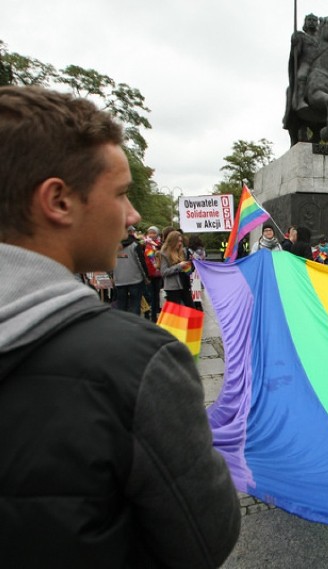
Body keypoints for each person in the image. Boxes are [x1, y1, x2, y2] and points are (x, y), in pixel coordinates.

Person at [0, 86, 240, 566]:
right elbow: (206, 537)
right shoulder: (138, 362)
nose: (132, 216)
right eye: (122, 193)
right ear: (59, 201)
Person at [113, 225, 148, 315]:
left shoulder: (113, 245)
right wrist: (146, 277)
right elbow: (140, 262)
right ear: (130, 232)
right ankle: (135, 326)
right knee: (135, 305)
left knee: (121, 306)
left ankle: (123, 325)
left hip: (119, 280)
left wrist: (112, 276)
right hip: (135, 279)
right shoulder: (135, 245)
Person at [159, 230, 194, 307]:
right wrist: (179, 266)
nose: (180, 243)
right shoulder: (164, 253)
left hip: (184, 285)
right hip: (172, 288)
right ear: (172, 241)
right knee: (176, 313)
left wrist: (190, 264)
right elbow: (164, 272)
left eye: (181, 241)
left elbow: (188, 271)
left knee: (191, 309)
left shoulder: (183, 251)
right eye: (178, 241)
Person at [143, 225, 163, 322]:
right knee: (150, 295)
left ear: (157, 234)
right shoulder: (144, 244)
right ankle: (150, 314)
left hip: (158, 273)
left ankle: (155, 314)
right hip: (148, 273)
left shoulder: (160, 245)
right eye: (150, 232)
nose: (151, 235)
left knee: (156, 294)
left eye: (153, 233)